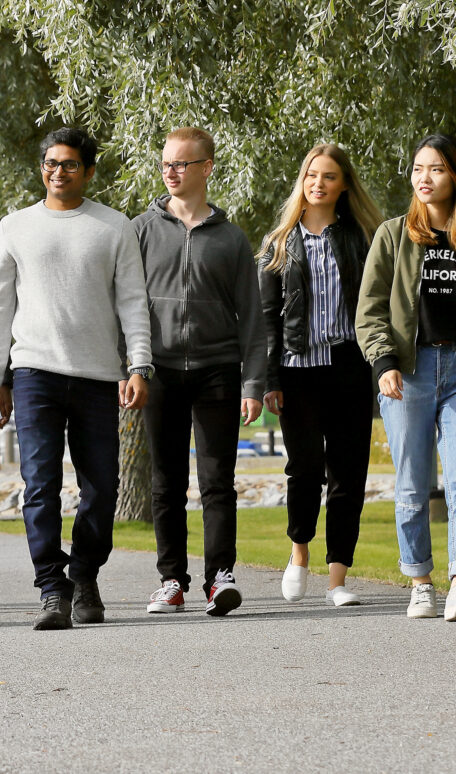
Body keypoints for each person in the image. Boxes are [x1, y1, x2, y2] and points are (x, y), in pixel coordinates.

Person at [0, 127, 152, 631]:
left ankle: (84, 576)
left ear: (89, 170)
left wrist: (138, 365)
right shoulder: (14, 227)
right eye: (51, 163)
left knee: (102, 486)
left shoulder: (113, 227)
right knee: (41, 485)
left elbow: (133, 304)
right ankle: (53, 590)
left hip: (99, 375)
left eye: (70, 164)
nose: (58, 172)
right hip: (34, 372)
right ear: (42, 169)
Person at [356, 133, 456, 622]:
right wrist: (383, 363)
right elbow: (369, 311)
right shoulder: (391, 236)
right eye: (418, 169)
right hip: (408, 374)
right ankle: (420, 583)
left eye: (436, 169)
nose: (424, 178)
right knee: (411, 484)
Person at [134, 128, 267, 618]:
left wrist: (253, 383)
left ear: (206, 167)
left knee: (217, 481)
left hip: (217, 370)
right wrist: (132, 367)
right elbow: (127, 306)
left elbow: (252, 318)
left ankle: (220, 578)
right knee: (165, 482)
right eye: (166, 163)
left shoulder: (231, 239)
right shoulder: (141, 230)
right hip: (159, 370)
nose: (171, 172)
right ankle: (171, 580)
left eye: (181, 164)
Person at [258, 143, 382, 606]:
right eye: (312, 174)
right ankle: (298, 554)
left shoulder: (363, 239)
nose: (318, 183)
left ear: (343, 185)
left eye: (329, 176)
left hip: (349, 368)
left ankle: (337, 581)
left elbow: (375, 307)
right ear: (302, 180)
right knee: (305, 469)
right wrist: (269, 379)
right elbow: (267, 318)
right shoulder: (279, 243)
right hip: (297, 373)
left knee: (348, 475)